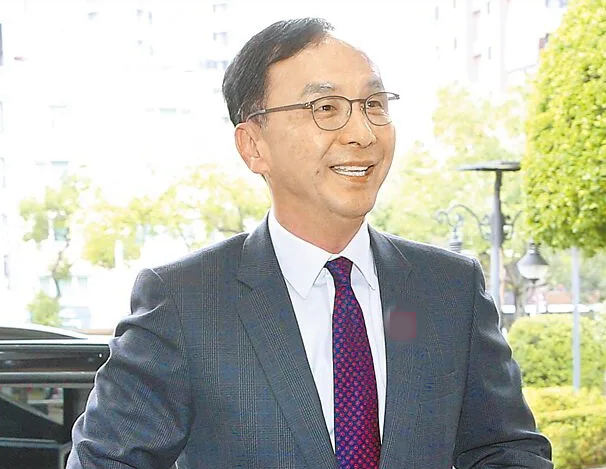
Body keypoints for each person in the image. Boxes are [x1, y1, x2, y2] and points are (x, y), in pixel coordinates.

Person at [67, 18, 553, 469]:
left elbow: (507, 451)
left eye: (374, 105)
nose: (362, 133)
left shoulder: (449, 288)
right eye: (326, 109)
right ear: (253, 145)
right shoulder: (186, 301)